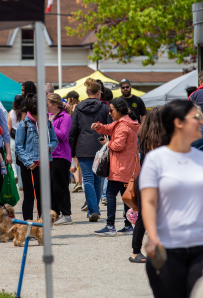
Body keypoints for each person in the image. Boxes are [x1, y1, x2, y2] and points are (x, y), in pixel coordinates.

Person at [140, 100, 203, 298]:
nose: (202, 122)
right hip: (167, 251)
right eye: (196, 117)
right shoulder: (156, 159)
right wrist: (153, 238)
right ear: (178, 123)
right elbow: (149, 203)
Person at [92, 98, 140, 236]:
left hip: (120, 167)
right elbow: (109, 127)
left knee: (111, 194)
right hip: (128, 167)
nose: (110, 112)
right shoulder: (125, 123)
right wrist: (99, 127)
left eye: (111, 110)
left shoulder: (123, 126)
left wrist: (107, 143)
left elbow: (118, 145)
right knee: (126, 196)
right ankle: (128, 225)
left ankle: (110, 226)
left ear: (119, 110)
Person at [69, 78, 110, 221]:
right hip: (100, 146)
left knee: (87, 179)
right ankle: (94, 209)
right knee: (97, 181)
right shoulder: (105, 107)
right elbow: (110, 129)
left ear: (87, 92)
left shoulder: (78, 108)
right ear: (99, 92)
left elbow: (73, 131)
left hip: (84, 147)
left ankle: (93, 210)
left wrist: (72, 150)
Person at [15, 96, 58, 220]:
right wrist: (28, 162)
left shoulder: (48, 123)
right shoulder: (24, 125)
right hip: (30, 166)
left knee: (43, 197)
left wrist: (49, 147)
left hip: (46, 164)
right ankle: (28, 226)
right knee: (29, 196)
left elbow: (55, 140)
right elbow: (19, 146)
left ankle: (41, 226)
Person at [129, 107, 164, 263]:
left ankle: (137, 251)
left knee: (143, 217)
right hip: (156, 179)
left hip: (143, 178)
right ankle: (140, 252)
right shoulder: (163, 138)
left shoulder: (143, 135)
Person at [47, 93, 74, 225]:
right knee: (52, 186)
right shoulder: (50, 116)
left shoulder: (66, 117)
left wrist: (49, 125)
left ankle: (67, 215)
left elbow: (63, 135)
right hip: (51, 155)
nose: (46, 106)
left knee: (61, 186)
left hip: (61, 155)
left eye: (48, 103)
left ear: (55, 104)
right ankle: (55, 214)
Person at [9, 95, 25, 190]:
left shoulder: (11, 112)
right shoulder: (24, 113)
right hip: (22, 139)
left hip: (12, 139)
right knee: (22, 160)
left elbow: (9, 128)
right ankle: (22, 182)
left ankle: (15, 174)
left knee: (13, 160)